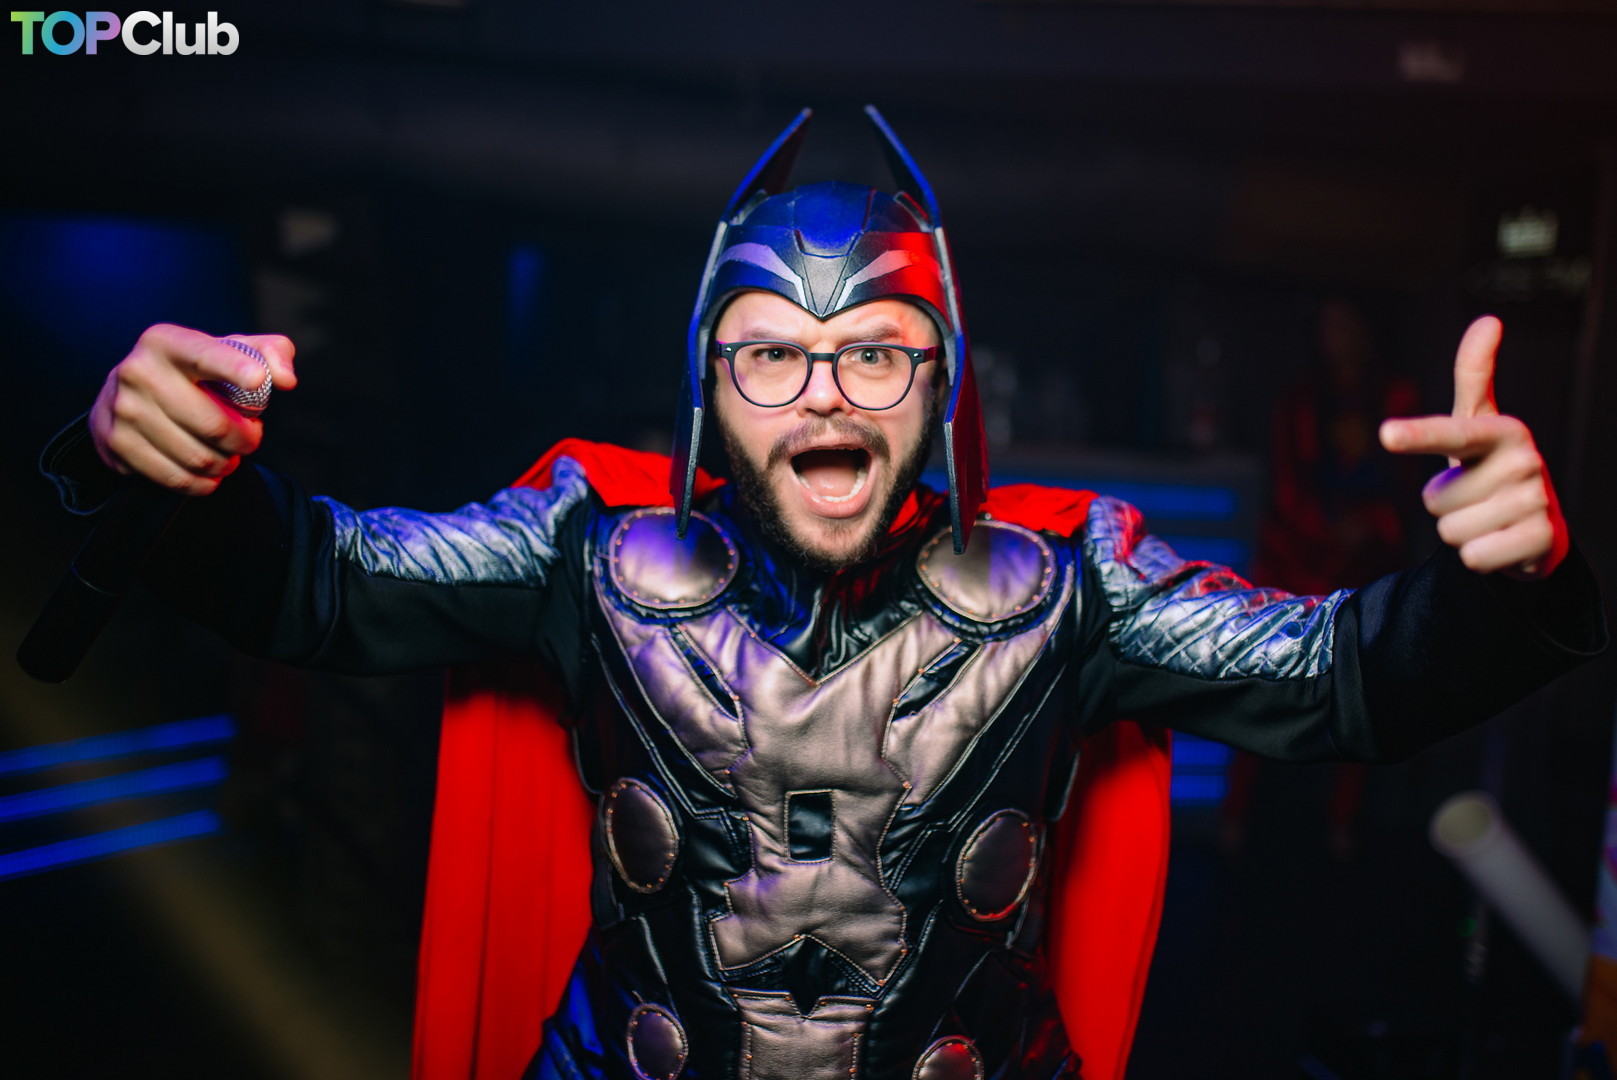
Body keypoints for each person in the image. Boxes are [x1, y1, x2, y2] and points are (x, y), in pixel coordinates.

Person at [39, 108, 1605, 1080]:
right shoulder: (584, 549)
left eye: (876, 353)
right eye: (771, 355)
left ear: (943, 382)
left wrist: (1496, 576)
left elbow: (1343, 682)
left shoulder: (1073, 587)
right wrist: (172, 468)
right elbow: (314, 585)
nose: (825, 396)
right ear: (707, 385)